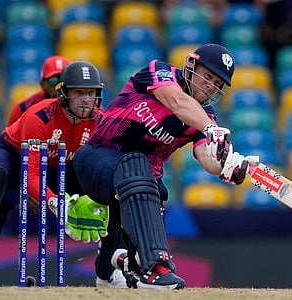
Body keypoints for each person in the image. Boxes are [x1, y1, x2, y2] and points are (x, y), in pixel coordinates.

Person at [73, 43, 249, 290]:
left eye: (217, 83)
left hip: (137, 185)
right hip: (96, 159)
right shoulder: (160, 72)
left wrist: (226, 166)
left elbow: (206, 156)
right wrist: (210, 130)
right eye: (207, 76)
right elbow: (177, 101)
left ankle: (113, 265)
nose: (210, 85)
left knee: (151, 187)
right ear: (191, 65)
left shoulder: (205, 118)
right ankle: (156, 269)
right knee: (137, 168)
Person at [0, 61, 110, 287]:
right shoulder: (38, 116)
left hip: (64, 164)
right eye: (79, 93)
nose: (86, 99)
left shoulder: (99, 120)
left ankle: (109, 269)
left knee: (112, 181)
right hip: (18, 157)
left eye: (91, 93)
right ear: (64, 94)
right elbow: (33, 173)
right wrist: (55, 202)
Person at [6, 55, 70, 126]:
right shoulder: (23, 109)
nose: (59, 86)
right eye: (53, 81)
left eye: (64, 80)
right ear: (42, 84)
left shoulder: (79, 106)